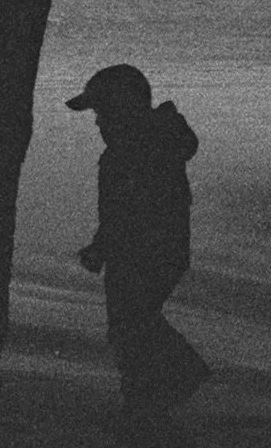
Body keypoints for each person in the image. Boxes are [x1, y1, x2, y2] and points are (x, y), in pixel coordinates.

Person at [71, 63, 211, 418]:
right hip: (155, 252)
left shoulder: (135, 152)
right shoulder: (144, 147)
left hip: (145, 254)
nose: (97, 122)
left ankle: (160, 389)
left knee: (129, 325)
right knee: (131, 324)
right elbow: (120, 212)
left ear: (122, 110)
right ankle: (148, 395)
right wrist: (102, 246)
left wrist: (104, 246)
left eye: (101, 112)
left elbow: (129, 211)